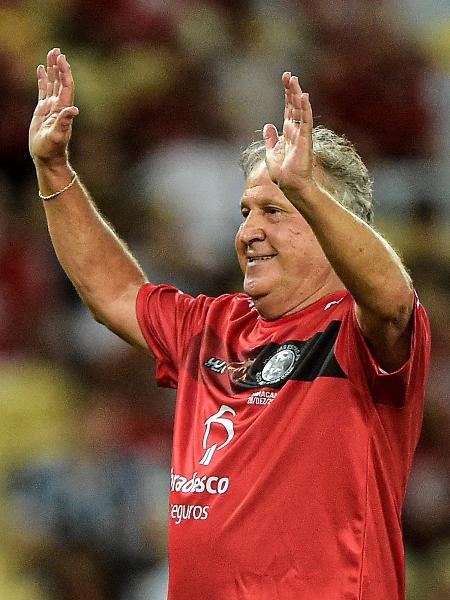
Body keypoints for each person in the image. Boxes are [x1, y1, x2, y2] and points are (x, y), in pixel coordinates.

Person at [29, 48, 430, 600]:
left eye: (276, 210)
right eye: (246, 212)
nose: (247, 232)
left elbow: (391, 298)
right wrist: (54, 171)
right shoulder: (210, 325)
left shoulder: (360, 332)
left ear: (334, 226)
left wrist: (307, 189)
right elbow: (115, 292)